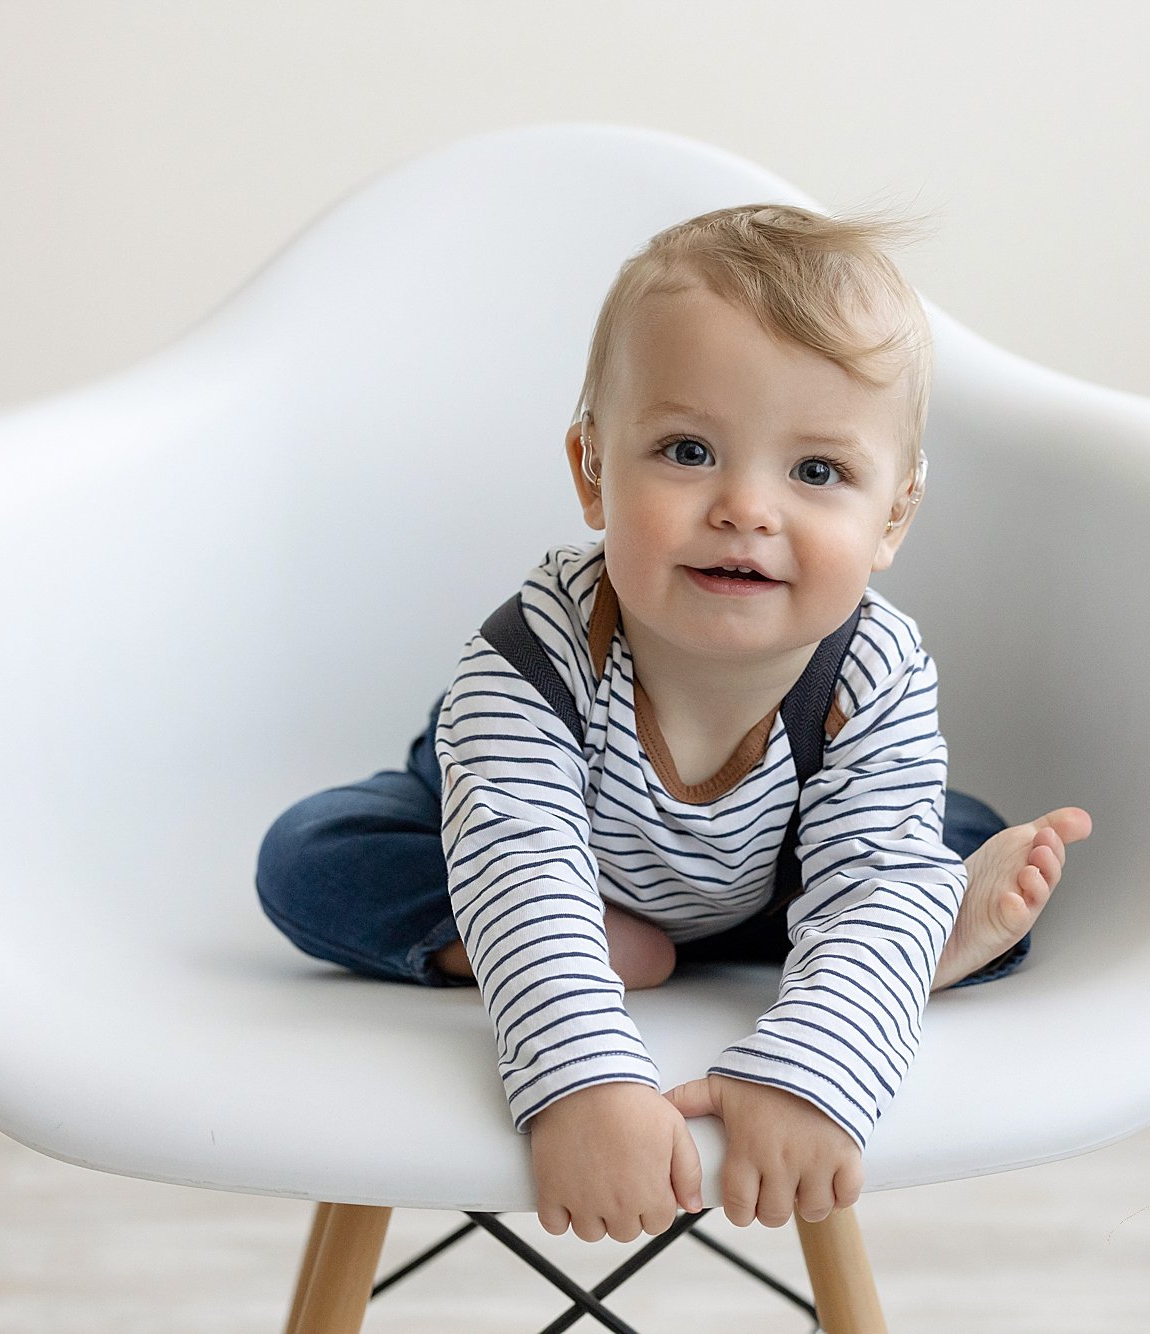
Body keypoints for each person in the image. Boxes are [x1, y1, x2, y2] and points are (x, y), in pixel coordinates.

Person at [256, 202, 1092, 1246]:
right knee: (308, 857)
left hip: (772, 866)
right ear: (590, 468)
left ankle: (920, 927)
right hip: (531, 839)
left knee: (937, 851)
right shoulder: (529, 651)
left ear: (891, 517)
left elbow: (870, 866)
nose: (745, 506)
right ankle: (539, 942)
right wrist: (582, 1085)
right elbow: (515, 854)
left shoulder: (870, 670)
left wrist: (810, 1075)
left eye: (816, 471)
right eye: (687, 450)